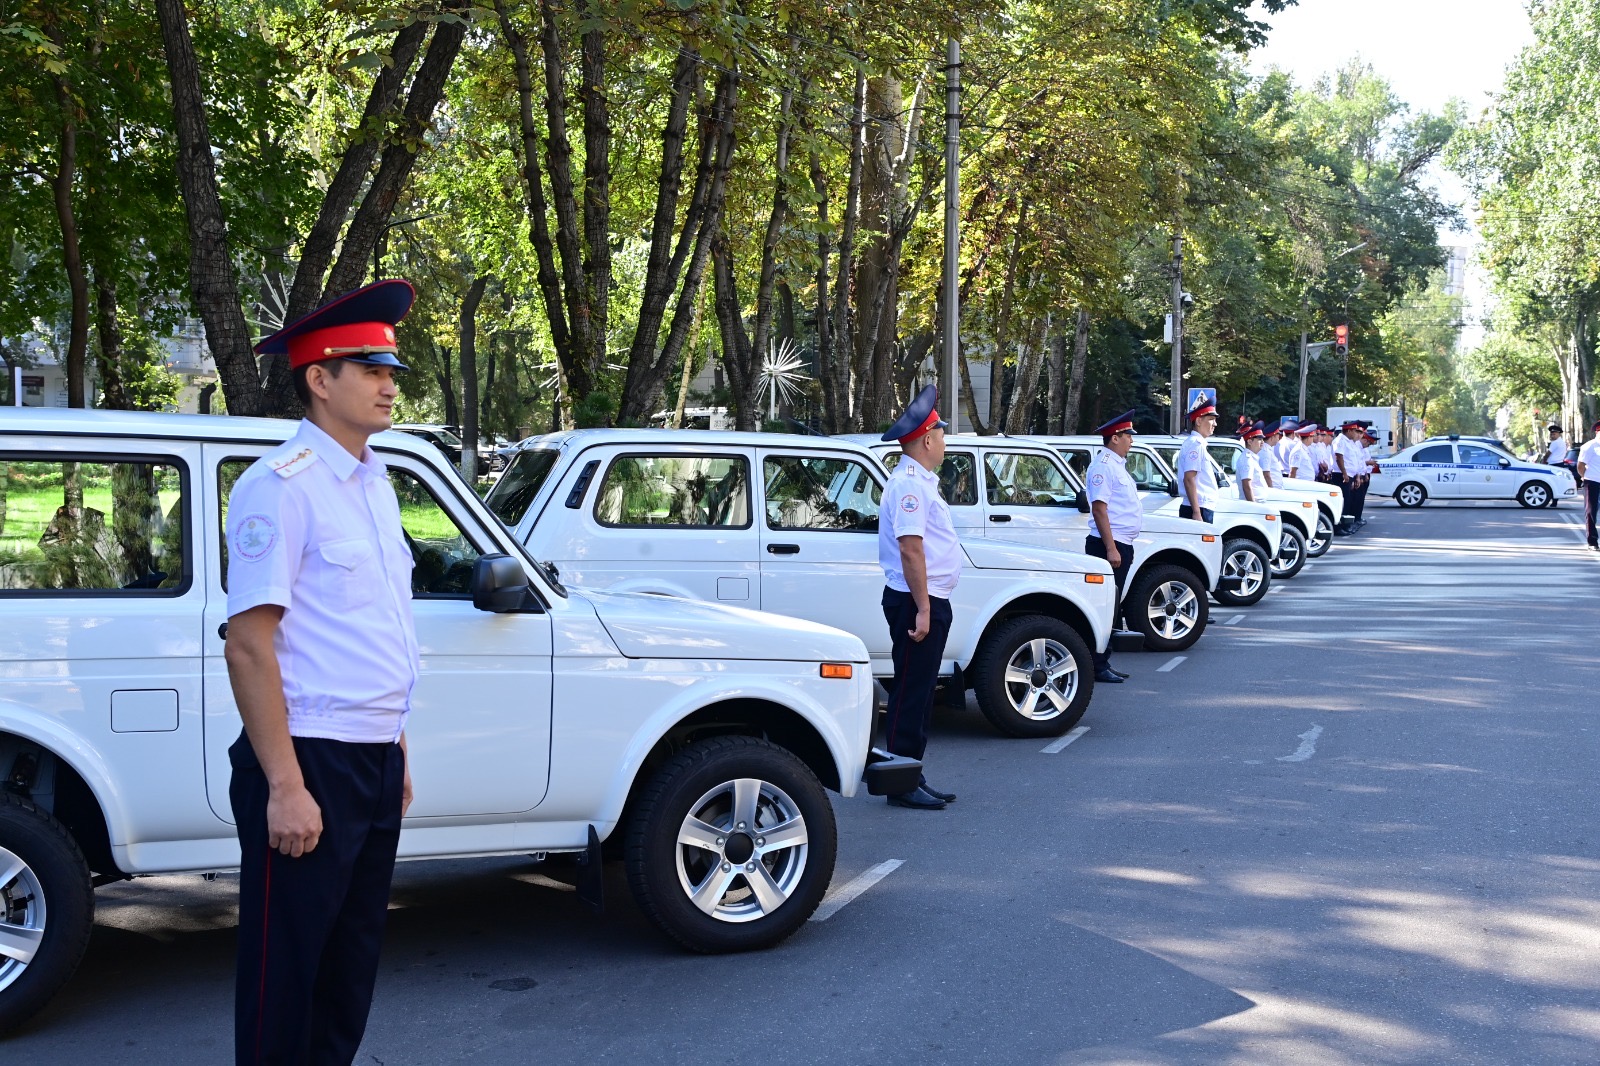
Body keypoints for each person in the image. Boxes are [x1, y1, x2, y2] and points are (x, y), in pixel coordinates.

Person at [224, 278, 420, 1064]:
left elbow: (372, 627)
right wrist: (284, 784)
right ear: (319, 378)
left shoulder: (373, 484)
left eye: (391, 371)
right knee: (287, 973)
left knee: (349, 969)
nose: (388, 384)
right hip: (309, 759)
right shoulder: (282, 486)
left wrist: (396, 740)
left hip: (371, 757)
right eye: (370, 368)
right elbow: (249, 644)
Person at [879, 384, 960, 810]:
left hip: (925, 598)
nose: (945, 441)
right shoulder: (910, 485)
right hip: (916, 601)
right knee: (911, 692)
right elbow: (911, 548)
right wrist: (926, 608)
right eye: (942, 433)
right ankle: (899, 780)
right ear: (928, 438)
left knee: (921, 690)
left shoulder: (921, 482)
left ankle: (911, 772)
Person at [1084, 410, 1142, 683]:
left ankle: (1102, 662)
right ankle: (1097, 665)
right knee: (1106, 606)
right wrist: (1111, 548)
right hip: (1109, 544)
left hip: (1121, 542)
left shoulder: (1116, 464)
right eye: (1128, 435)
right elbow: (1099, 510)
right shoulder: (1103, 466)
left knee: (1112, 606)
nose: (1131, 440)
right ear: (1115, 437)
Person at [1176, 393, 1220, 523]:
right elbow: (1189, 478)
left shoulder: (1196, 443)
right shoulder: (1196, 444)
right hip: (1198, 507)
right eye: (1211, 419)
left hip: (1199, 506)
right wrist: (1196, 513)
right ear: (1199, 421)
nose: (1215, 424)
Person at [1332, 420, 1366, 533]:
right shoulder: (1340, 440)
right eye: (1354, 431)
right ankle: (1338, 527)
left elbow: (1355, 461)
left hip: (1349, 475)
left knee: (1347, 502)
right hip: (1340, 475)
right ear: (1349, 430)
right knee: (1342, 502)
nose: (1356, 434)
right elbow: (1339, 457)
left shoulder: (1350, 442)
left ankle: (1345, 525)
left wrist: (1356, 476)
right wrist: (1345, 473)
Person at [1577, 420, 1600, 549]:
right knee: (1591, 511)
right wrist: (1584, 477)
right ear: (1597, 432)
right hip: (1592, 482)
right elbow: (1580, 465)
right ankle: (1592, 541)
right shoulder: (1589, 446)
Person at [1234, 422, 1266, 502]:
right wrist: (1253, 506)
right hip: (1255, 504)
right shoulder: (1247, 459)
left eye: (1262, 439)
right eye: (1259, 439)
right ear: (1250, 442)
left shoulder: (1251, 458)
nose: (1262, 442)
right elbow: (1247, 485)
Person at [1259, 421, 1285, 488]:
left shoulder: (1268, 449)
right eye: (1277, 435)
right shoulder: (1265, 451)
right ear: (1272, 437)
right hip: (1273, 488)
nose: (1278, 438)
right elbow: (1266, 474)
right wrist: (1271, 490)